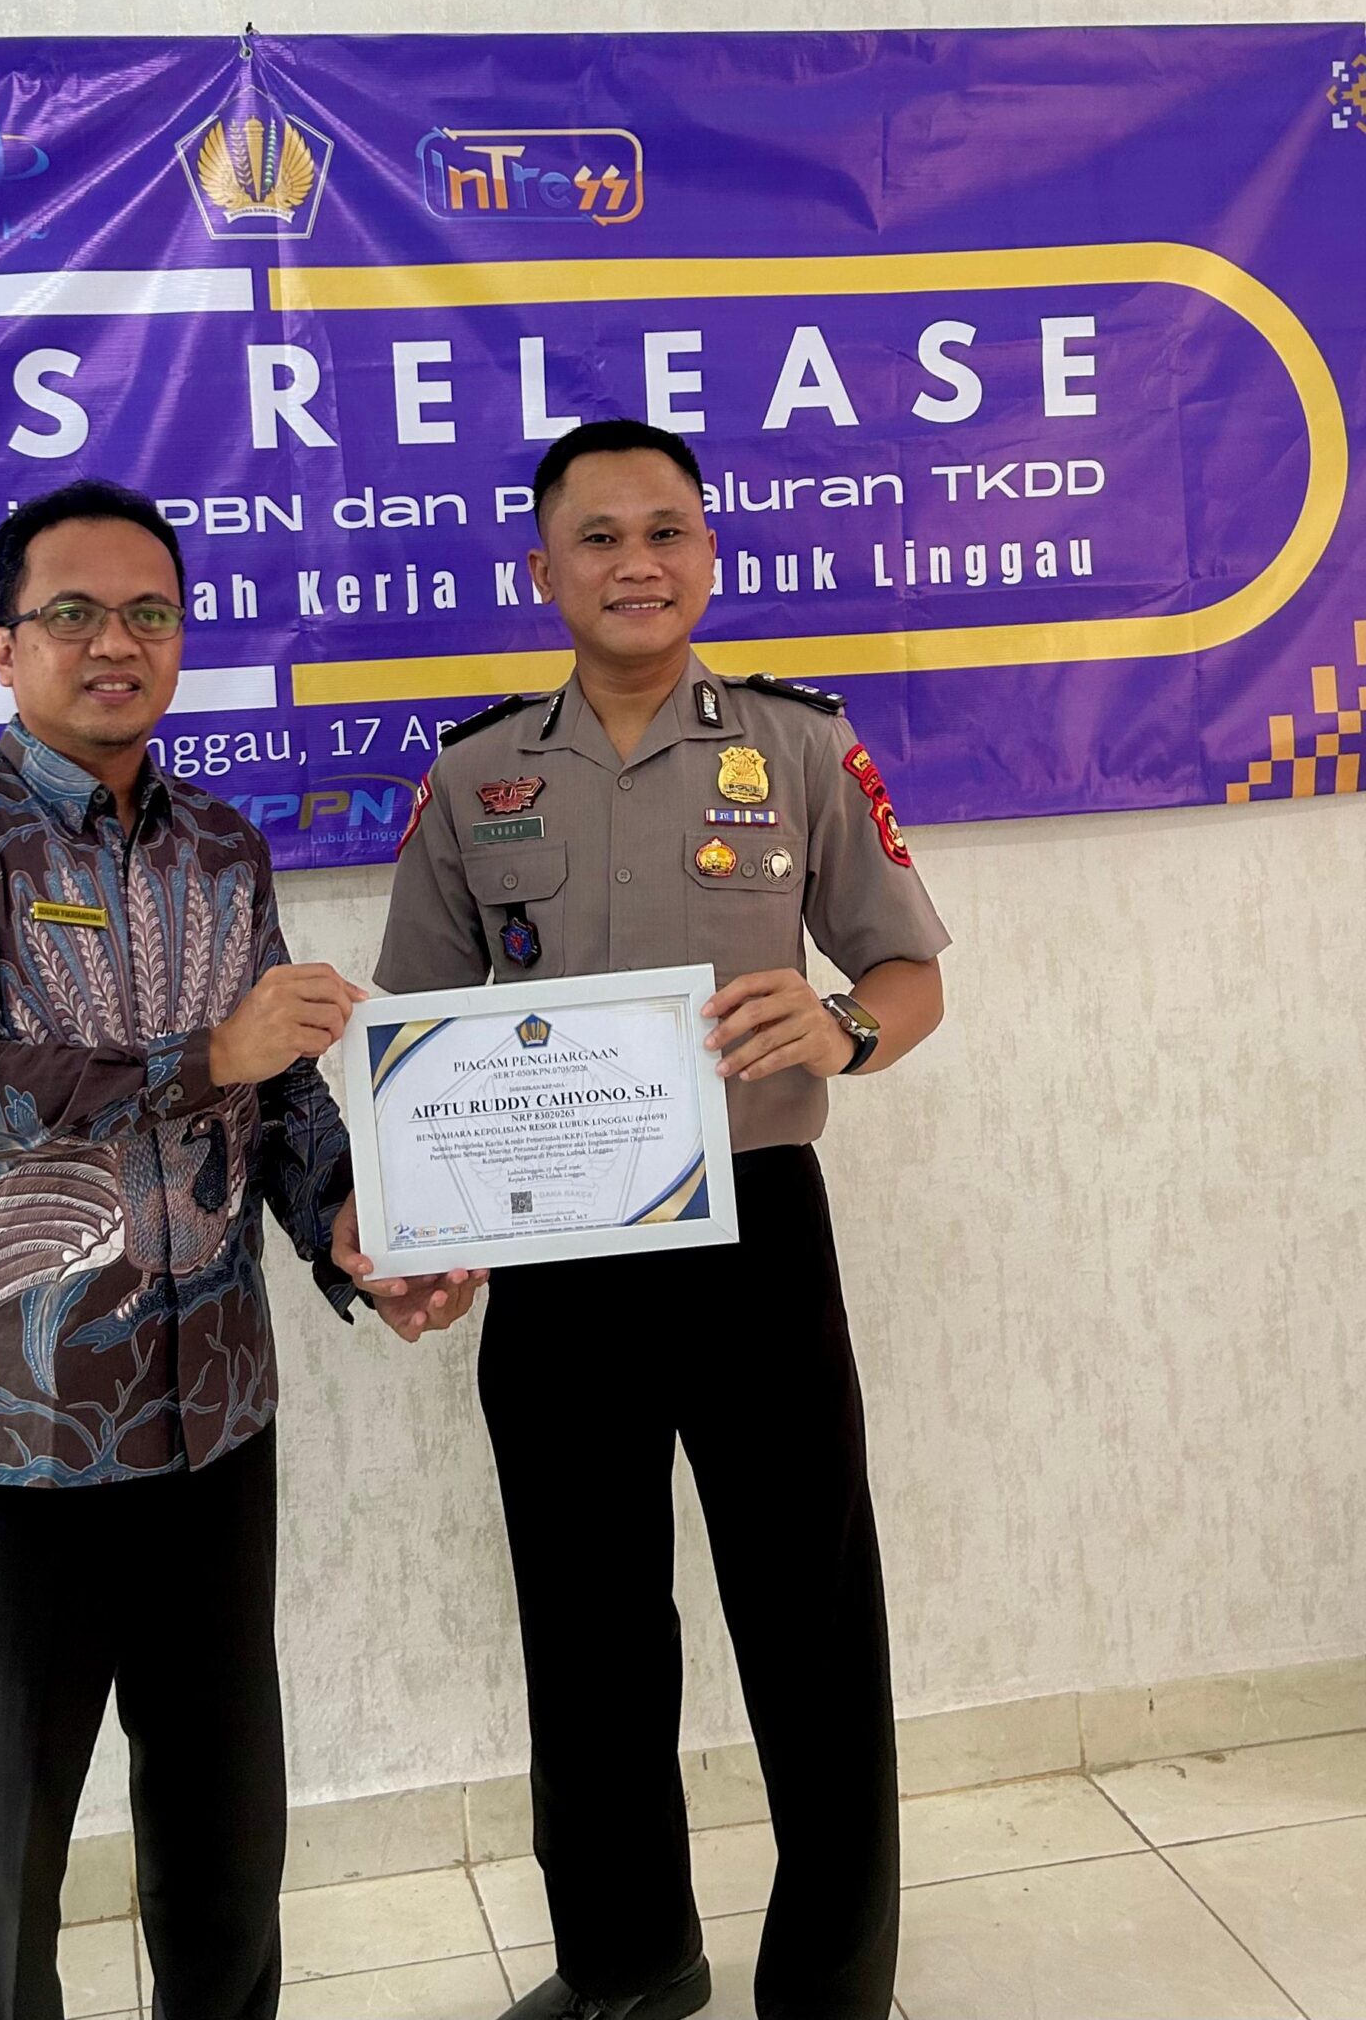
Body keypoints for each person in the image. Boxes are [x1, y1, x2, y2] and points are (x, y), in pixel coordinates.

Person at [0, 477, 465, 2020]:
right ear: (4, 645)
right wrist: (207, 1055)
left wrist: (348, 1231)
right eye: (73, 614)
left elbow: (280, 1090)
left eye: (148, 614)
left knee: (223, 1841)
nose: (115, 642)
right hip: (10, 1434)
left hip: (209, 1424)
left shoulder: (220, 848)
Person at [377, 419, 951, 2020]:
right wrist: (417, 1224)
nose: (635, 563)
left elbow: (906, 974)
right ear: (540, 571)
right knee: (587, 1627)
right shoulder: (474, 774)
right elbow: (416, 1030)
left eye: (664, 532)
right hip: (558, 1256)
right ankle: (628, 1964)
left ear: (706, 554)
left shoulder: (799, 750)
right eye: (598, 537)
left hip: (755, 1235)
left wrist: (842, 1027)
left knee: (808, 1618)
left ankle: (829, 1983)